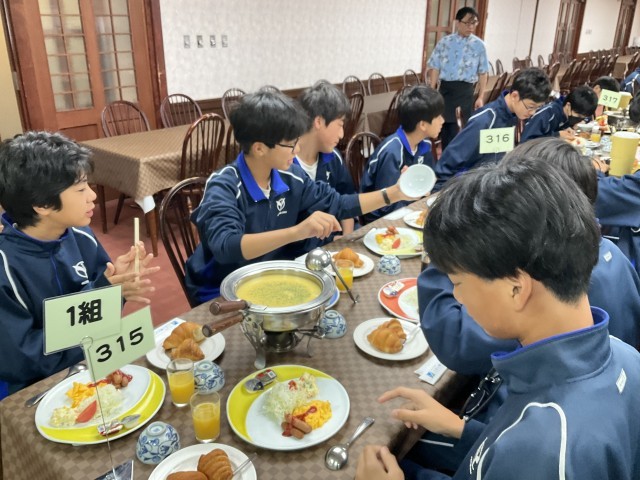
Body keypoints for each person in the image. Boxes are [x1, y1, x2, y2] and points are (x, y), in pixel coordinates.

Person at [355, 159, 640, 480]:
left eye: (457, 283)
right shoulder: (627, 357)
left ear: (516, 288)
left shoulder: (543, 449)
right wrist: (463, 430)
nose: (458, 297)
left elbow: (525, 457)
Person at [184, 90, 418, 304]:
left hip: (270, 279)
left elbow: (338, 203)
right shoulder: (224, 185)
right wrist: (297, 232)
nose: (296, 150)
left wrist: (393, 193)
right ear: (259, 148)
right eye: (289, 144)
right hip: (220, 290)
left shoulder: (290, 176)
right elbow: (227, 247)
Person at [0, 131, 159, 393]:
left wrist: (116, 286)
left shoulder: (80, 235)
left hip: (92, 365)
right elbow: (21, 358)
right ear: (42, 204)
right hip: (40, 387)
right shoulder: (6, 267)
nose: (92, 196)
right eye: (81, 189)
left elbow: (101, 308)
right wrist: (103, 295)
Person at [433, 68, 551, 191]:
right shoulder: (485, 120)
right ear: (515, 96)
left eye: (537, 108)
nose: (532, 113)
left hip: (492, 182)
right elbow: (447, 165)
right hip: (470, 187)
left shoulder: (514, 115)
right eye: (530, 107)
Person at [359, 85, 444, 223]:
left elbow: (430, 184)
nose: (442, 121)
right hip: (381, 219)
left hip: (409, 208)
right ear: (423, 125)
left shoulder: (425, 145)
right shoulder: (392, 152)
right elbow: (385, 206)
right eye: (438, 117)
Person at [296, 81, 356, 237]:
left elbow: (347, 200)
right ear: (318, 122)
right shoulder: (285, 163)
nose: (342, 134)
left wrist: (346, 237)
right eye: (340, 125)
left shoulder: (333, 157)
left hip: (332, 243)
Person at [427, 7, 489, 149]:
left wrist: (481, 96)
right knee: (443, 128)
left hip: (465, 92)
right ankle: (445, 157)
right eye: (467, 23)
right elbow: (435, 67)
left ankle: (455, 159)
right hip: (445, 90)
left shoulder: (479, 45)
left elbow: (483, 72)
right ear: (458, 22)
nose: (471, 27)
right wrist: (432, 90)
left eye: (474, 23)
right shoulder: (445, 42)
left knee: (459, 130)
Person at [520, 85, 597, 142]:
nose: (579, 120)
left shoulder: (566, 114)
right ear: (568, 106)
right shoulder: (547, 114)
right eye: (578, 116)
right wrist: (557, 135)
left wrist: (566, 129)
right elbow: (527, 141)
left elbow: (588, 117)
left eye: (582, 117)